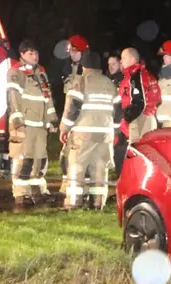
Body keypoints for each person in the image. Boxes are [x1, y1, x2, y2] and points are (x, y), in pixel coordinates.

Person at [59, 51, 121, 210]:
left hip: (83, 134)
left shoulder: (80, 81)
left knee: (77, 167)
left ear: (84, 66)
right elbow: (117, 112)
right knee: (100, 168)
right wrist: (114, 131)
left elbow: (72, 108)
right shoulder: (109, 83)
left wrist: (64, 129)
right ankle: (97, 203)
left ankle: (73, 202)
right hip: (105, 135)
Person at [6, 39, 58, 206]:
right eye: (30, 53)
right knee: (23, 159)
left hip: (40, 125)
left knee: (40, 159)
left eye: (35, 53)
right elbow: (13, 97)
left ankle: (38, 190)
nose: (34, 56)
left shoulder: (41, 73)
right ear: (22, 55)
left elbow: (47, 98)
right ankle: (21, 194)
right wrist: (18, 120)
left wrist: (52, 119)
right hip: (25, 124)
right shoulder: (16, 73)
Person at [115, 47, 160, 175]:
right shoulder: (138, 74)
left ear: (133, 59)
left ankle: (139, 182)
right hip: (144, 117)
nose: (121, 61)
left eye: (124, 58)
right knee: (142, 154)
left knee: (137, 154)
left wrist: (126, 118)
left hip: (139, 119)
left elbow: (139, 101)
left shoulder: (137, 75)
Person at [58, 34, 90, 199]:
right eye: (71, 51)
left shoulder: (87, 75)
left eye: (75, 52)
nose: (72, 54)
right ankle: (66, 187)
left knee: (81, 157)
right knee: (65, 156)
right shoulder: (68, 70)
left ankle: (81, 190)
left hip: (82, 122)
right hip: (71, 120)